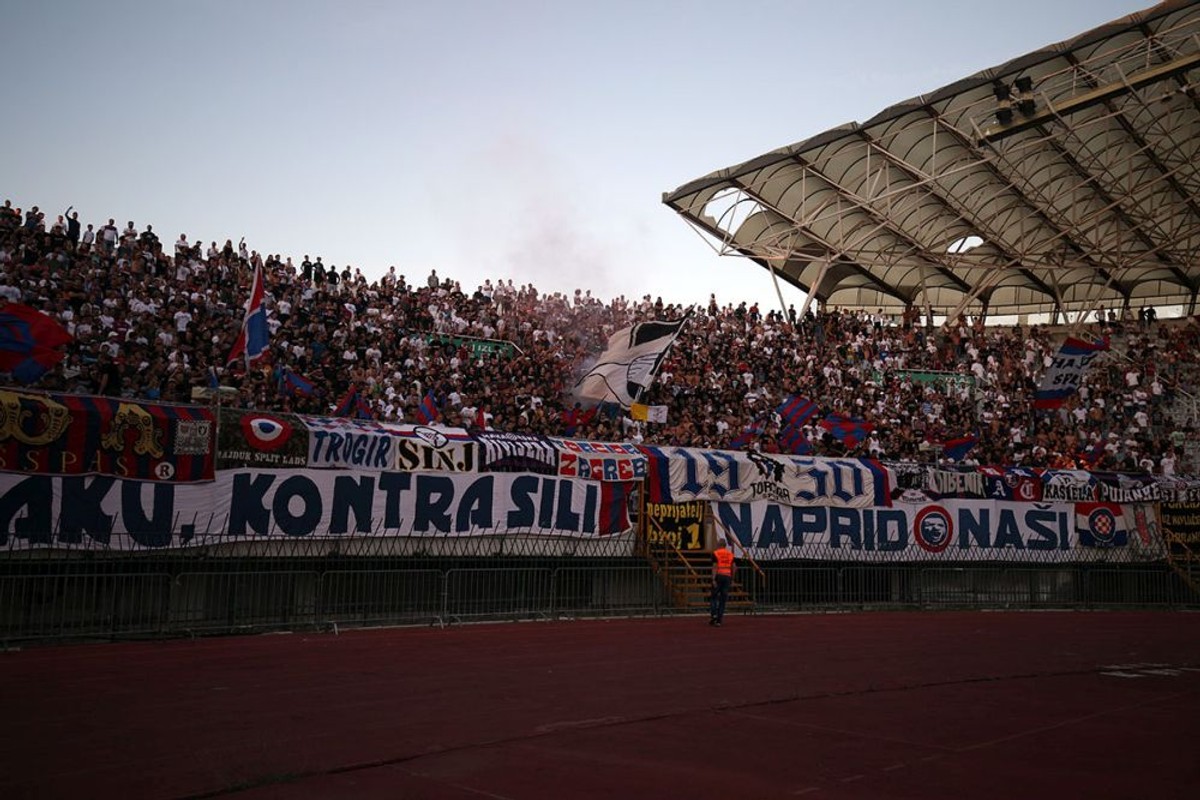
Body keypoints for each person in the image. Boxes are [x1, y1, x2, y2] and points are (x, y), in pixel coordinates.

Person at [709, 537, 736, 626]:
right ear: (725, 545)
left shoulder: (716, 553)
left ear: (719, 545)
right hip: (727, 576)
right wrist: (732, 579)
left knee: (714, 596)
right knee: (723, 599)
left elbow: (715, 566)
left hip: (719, 576)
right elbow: (734, 567)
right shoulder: (730, 554)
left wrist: (713, 579)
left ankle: (714, 614)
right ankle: (719, 620)